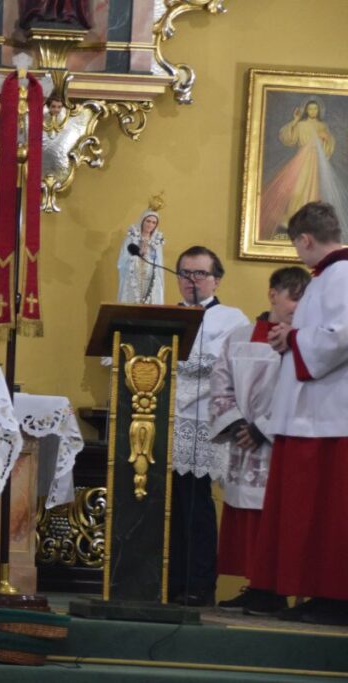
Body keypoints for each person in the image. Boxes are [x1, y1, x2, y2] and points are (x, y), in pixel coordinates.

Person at [247, 201, 348, 625]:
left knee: (327, 512)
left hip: (328, 415)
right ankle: (302, 592)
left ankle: (333, 598)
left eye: (295, 246)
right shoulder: (326, 277)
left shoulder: (342, 275)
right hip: (310, 414)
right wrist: (291, 337)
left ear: (305, 240)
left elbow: (341, 336)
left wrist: (293, 339)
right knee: (304, 511)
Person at [210, 266, 310, 613]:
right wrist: (237, 423)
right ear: (273, 294)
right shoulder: (239, 337)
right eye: (293, 298)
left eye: (304, 300)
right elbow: (220, 382)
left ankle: (274, 588)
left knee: (277, 516)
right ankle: (256, 584)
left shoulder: (302, 343)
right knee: (246, 516)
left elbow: (301, 393)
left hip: (279, 442)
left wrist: (262, 428)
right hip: (243, 442)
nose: (297, 307)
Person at [168, 246, 249, 606]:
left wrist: (179, 362)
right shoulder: (167, 316)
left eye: (200, 273)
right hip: (167, 419)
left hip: (203, 421)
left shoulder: (232, 319)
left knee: (195, 505)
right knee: (168, 507)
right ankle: (169, 581)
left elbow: (218, 363)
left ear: (216, 280)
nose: (192, 280)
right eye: (185, 273)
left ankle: (199, 585)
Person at [259, 99, 348, 240]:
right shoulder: (301, 124)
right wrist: (295, 120)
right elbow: (288, 138)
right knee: (296, 190)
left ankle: (307, 222)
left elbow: (328, 145)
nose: (313, 111)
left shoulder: (322, 126)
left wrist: (326, 139)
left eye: (315, 109)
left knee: (313, 191)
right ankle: (294, 218)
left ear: (319, 111)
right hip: (302, 159)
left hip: (316, 161)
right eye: (310, 108)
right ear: (306, 110)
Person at [117, 208, 165, 305]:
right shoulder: (132, 237)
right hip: (134, 277)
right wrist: (137, 257)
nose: (150, 225)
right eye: (148, 221)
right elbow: (123, 260)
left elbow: (158, 263)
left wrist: (149, 261)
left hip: (150, 278)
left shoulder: (156, 241)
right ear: (142, 221)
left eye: (154, 222)